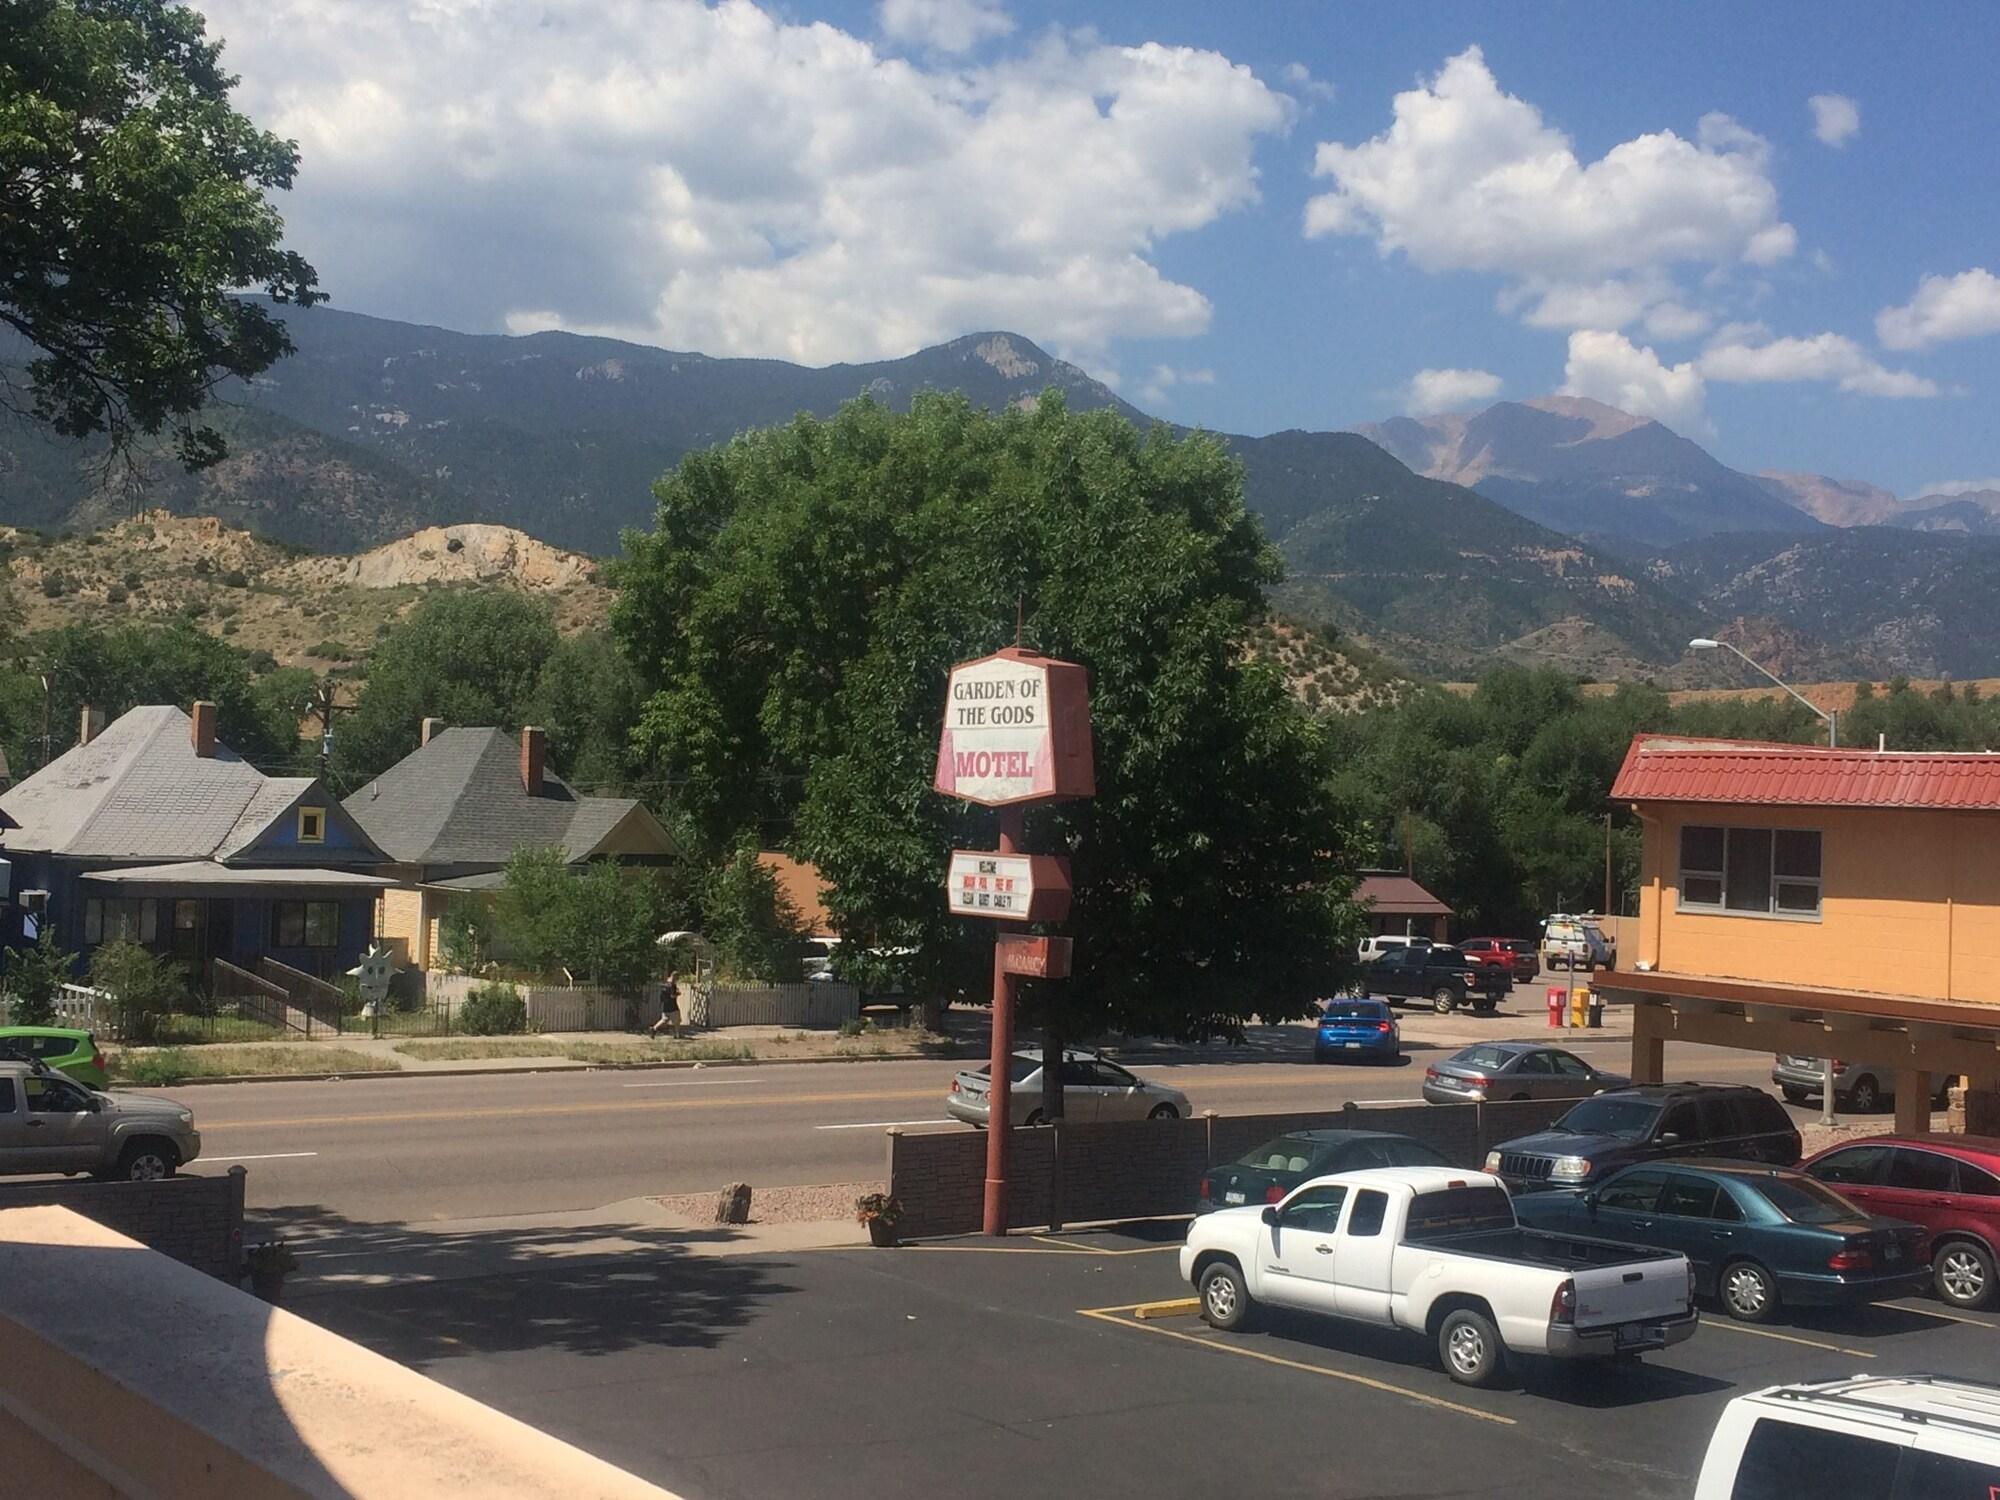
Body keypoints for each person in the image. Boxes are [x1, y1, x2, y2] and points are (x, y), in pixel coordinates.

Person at [649, 972, 682, 1038]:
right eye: (677, 978)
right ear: (674, 976)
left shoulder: (665, 984)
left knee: (664, 1019)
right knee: (677, 1020)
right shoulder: (672, 985)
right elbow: (672, 996)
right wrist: (678, 993)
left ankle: (654, 1028)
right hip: (673, 1006)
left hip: (665, 1006)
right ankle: (677, 1034)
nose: (677, 979)